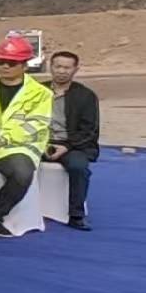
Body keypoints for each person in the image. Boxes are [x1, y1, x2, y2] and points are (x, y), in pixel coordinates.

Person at [0, 35, 52, 235]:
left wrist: (3, 138)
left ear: (24, 65)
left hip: (17, 148)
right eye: (1, 62)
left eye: (11, 63)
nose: (5, 66)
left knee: (21, 174)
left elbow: (36, 125)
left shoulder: (41, 94)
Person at [43, 51, 98, 231]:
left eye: (67, 68)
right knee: (16, 163)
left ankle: (76, 215)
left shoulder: (85, 95)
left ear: (76, 70)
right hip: (39, 142)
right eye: (58, 66)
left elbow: (89, 130)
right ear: (50, 67)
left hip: (72, 145)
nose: (62, 71)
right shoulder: (36, 91)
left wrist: (66, 146)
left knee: (78, 167)